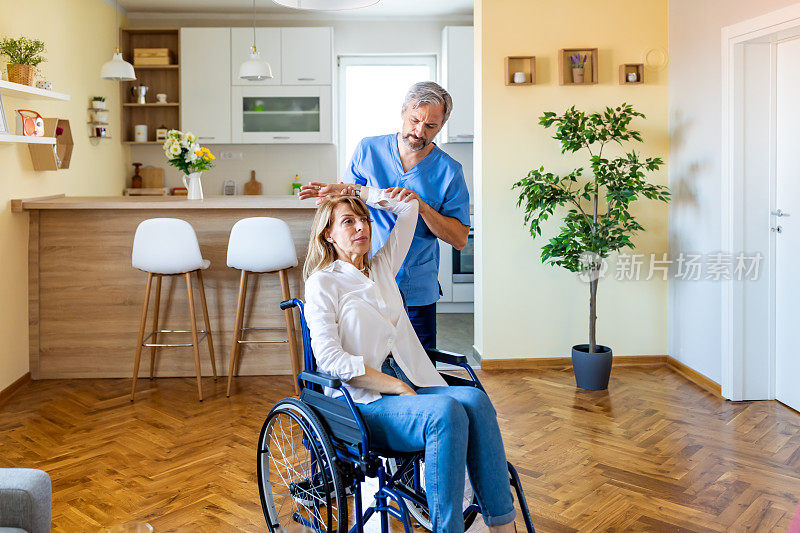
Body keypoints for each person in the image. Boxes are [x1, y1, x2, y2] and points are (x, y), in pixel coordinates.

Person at [302, 185, 514, 533]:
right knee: (445, 413)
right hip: (364, 401)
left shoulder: (382, 266)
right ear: (328, 234)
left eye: (365, 220)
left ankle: (504, 526)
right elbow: (329, 358)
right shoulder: (323, 283)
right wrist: (394, 385)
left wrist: (358, 193)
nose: (361, 228)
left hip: (414, 382)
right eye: (348, 222)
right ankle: (449, 528)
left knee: (475, 400)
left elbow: (409, 210)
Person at [299, 81, 470, 350]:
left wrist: (423, 208)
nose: (418, 132)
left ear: (441, 126)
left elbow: (460, 239)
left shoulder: (450, 171)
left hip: (416, 287)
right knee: (370, 362)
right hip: (363, 280)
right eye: (415, 120)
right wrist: (336, 195)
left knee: (420, 367)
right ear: (403, 111)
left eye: (431, 126)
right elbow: (348, 203)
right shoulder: (369, 149)